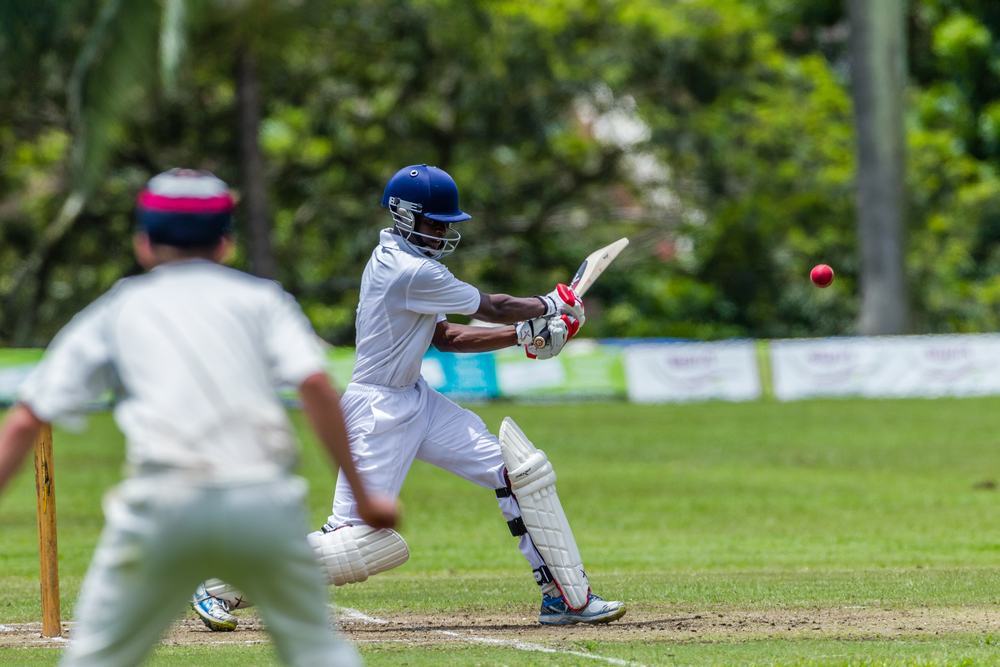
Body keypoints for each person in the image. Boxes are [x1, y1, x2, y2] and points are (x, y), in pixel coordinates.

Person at [196, 164, 625, 628]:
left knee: (517, 472)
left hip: (416, 399)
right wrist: (551, 305)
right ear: (405, 217)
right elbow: (492, 306)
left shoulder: (417, 265)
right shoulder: (407, 270)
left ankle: (565, 598)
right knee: (357, 540)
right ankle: (220, 582)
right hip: (376, 410)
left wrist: (523, 333)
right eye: (435, 223)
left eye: (447, 224)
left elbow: (446, 337)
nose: (443, 232)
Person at [0, 168, 397, 667]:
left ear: (144, 243)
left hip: (164, 504)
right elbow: (316, 386)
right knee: (319, 654)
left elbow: (24, 420)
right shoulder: (264, 300)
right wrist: (364, 498)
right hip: (262, 504)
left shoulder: (119, 308)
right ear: (226, 243)